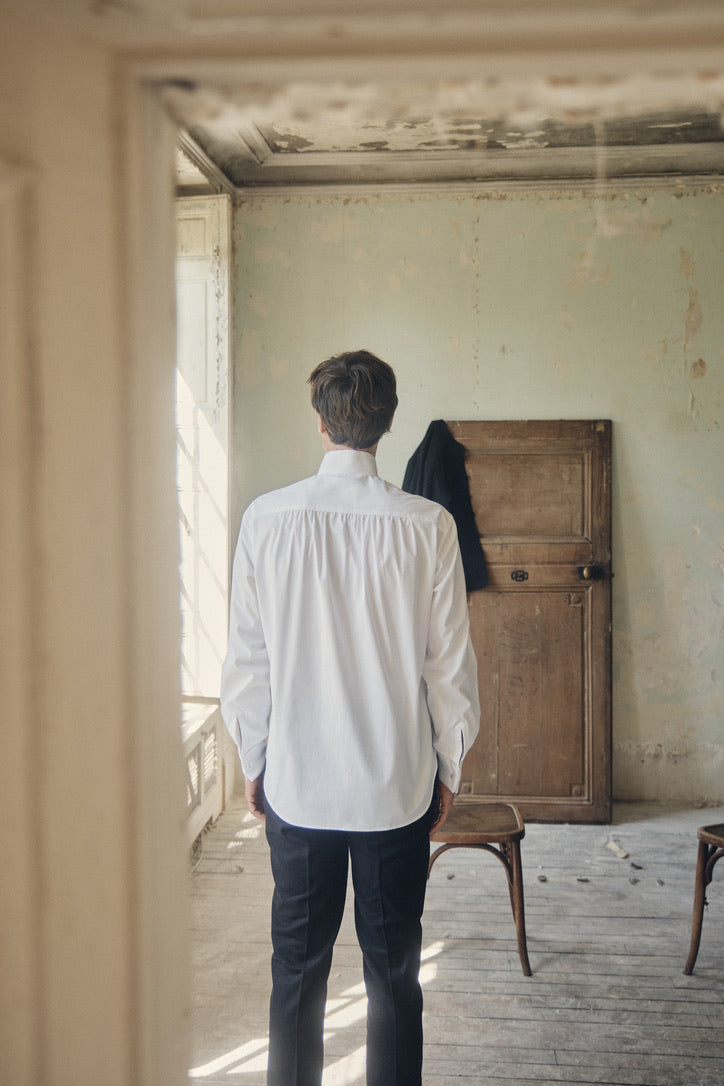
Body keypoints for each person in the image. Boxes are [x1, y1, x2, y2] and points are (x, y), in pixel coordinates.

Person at [220, 349, 480, 1086]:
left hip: (298, 787)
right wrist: (450, 767)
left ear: (320, 419)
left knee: (297, 974)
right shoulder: (428, 525)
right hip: (396, 788)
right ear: (387, 421)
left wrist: (254, 761)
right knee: (394, 974)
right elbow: (449, 667)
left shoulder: (266, 520)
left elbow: (248, 663)